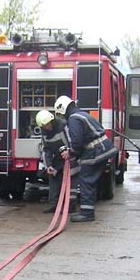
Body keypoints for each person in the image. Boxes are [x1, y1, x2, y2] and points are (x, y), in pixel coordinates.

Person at [55, 95, 117, 223]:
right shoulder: (82, 114)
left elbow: (77, 142)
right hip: (102, 149)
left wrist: (70, 152)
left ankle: (87, 213)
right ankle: (87, 210)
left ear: (63, 110)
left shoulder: (73, 119)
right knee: (89, 181)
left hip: (95, 151)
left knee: (86, 180)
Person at [36, 109, 79, 213]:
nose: (48, 127)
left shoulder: (63, 126)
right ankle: (54, 205)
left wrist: (70, 152)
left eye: (48, 124)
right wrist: (49, 165)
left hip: (71, 156)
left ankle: (71, 206)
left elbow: (72, 141)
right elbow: (46, 149)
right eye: (45, 125)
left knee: (71, 181)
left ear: (52, 120)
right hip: (58, 158)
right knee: (53, 178)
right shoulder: (44, 133)